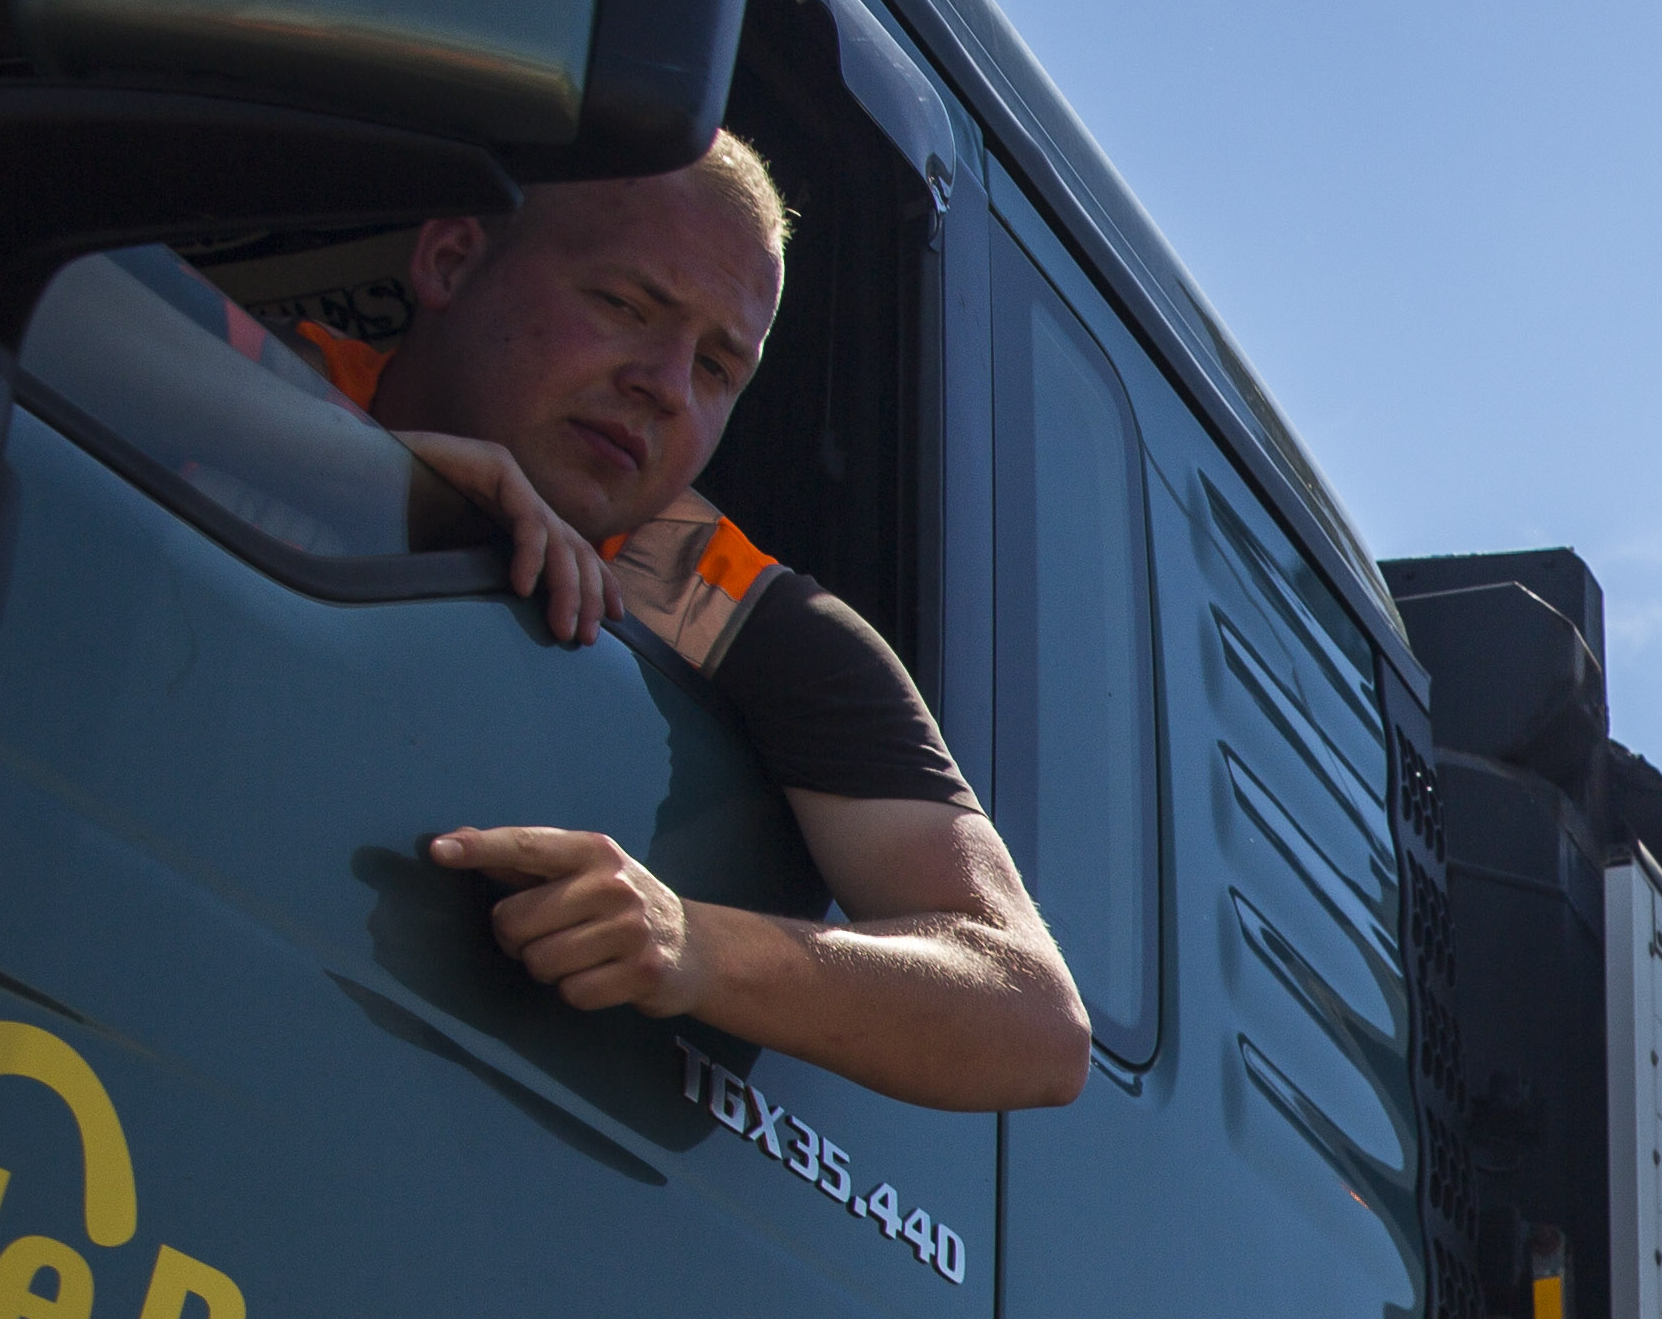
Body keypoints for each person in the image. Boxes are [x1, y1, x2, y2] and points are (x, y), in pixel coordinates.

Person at [313, 139, 1086, 1111]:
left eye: (719, 366)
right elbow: (75, 334)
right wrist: (353, 468)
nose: (667, 385)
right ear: (451, 261)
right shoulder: (260, 372)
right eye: (627, 306)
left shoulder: (729, 603)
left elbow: (1033, 1022)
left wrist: (690, 942)